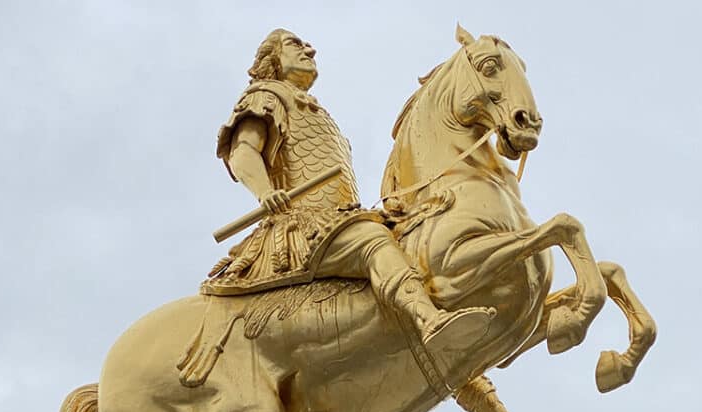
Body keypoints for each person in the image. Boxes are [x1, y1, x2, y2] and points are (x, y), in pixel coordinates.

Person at [203, 29, 493, 361]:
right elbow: (242, 151)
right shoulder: (266, 94)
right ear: (273, 59)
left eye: (307, 44)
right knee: (373, 240)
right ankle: (429, 320)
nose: (309, 49)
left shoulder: (318, 114)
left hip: (339, 220)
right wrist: (266, 193)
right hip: (303, 225)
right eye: (295, 44)